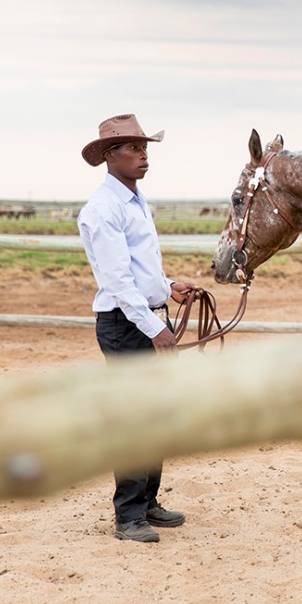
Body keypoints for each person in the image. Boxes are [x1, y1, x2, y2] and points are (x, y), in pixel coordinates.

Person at [77, 114, 195, 543]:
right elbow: (117, 281)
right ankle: (128, 517)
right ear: (111, 156)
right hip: (126, 326)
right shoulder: (103, 209)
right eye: (133, 148)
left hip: (142, 319)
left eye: (145, 148)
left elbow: (139, 270)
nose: (144, 155)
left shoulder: (134, 200)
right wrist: (154, 328)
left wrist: (168, 287)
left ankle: (147, 502)